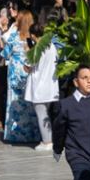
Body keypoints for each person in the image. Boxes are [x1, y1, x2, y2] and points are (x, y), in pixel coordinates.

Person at [3, 9, 39, 143]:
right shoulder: (33, 39)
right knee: (29, 100)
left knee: (15, 100)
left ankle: (15, 133)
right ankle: (32, 132)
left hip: (15, 71)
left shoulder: (13, 37)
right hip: (29, 69)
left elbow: (5, 54)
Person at [25, 23, 59, 151]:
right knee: (47, 114)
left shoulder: (36, 49)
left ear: (33, 35)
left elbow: (27, 67)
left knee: (42, 115)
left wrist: (26, 50)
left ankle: (47, 141)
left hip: (39, 86)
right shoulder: (52, 46)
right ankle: (49, 139)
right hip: (50, 85)